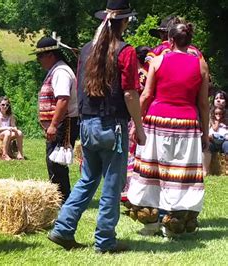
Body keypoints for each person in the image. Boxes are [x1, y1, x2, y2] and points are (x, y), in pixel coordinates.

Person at [48, 0, 145, 253]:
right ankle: (105, 240)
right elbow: (130, 94)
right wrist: (139, 126)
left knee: (87, 179)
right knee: (113, 183)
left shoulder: (85, 51)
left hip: (88, 123)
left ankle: (63, 228)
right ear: (123, 21)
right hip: (114, 125)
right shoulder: (126, 51)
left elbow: (79, 90)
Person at [127, 21, 210, 237]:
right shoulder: (200, 65)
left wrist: (137, 122)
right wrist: (206, 133)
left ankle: (151, 222)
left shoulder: (158, 60)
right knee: (180, 173)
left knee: (153, 172)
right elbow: (203, 103)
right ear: (189, 41)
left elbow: (146, 95)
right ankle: (173, 225)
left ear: (170, 40)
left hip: (157, 121)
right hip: (187, 125)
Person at [33, 36, 78, 202]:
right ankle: (60, 196)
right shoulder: (57, 71)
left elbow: (63, 99)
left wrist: (53, 125)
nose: (38, 60)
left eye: (40, 56)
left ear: (51, 55)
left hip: (63, 125)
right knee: (54, 162)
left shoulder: (61, 72)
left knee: (56, 163)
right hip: (60, 124)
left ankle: (62, 198)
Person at [121, 45, 150, 202]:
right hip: (147, 115)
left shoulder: (138, 75)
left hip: (135, 116)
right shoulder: (149, 73)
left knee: (131, 152)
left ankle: (128, 188)